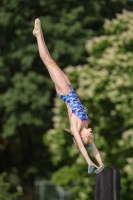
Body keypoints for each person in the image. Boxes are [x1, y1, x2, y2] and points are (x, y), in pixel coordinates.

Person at [33, 18, 104, 174]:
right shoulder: (85, 125)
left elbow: (81, 146)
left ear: (81, 135)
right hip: (70, 89)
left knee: (48, 62)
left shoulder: (76, 127)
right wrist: (101, 164)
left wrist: (89, 162)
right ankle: (38, 34)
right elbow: (94, 148)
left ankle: (38, 34)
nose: (91, 134)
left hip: (65, 93)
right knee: (51, 62)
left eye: (89, 136)